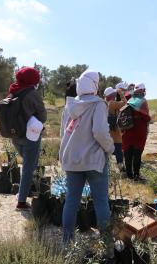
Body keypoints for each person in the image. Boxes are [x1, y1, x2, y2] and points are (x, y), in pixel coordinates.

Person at [60, 70, 114, 244]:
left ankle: (67, 242)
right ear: (95, 86)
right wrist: (110, 148)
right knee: (100, 202)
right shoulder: (98, 104)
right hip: (94, 161)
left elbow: (63, 133)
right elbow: (99, 131)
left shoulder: (69, 106)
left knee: (71, 201)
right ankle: (107, 246)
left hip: (72, 161)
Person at [7, 67, 47, 210]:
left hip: (14, 133)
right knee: (28, 167)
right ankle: (22, 201)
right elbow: (43, 116)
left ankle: (25, 190)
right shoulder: (32, 93)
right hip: (30, 135)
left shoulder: (13, 90)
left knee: (29, 164)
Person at [122, 83, 150, 181]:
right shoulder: (143, 101)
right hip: (139, 131)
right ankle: (136, 175)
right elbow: (146, 117)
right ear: (142, 90)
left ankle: (129, 175)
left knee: (128, 153)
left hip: (127, 130)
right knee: (137, 154)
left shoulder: (130, 100)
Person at [104, 86, 127, 172]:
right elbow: (125, 103)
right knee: (118, 150)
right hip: (114, 130)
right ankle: (121, 167)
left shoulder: (104, 103)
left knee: (107, 150)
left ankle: (107, 168)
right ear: (112, 95)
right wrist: (121, 93)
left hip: (106, 130)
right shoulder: (112, 103)